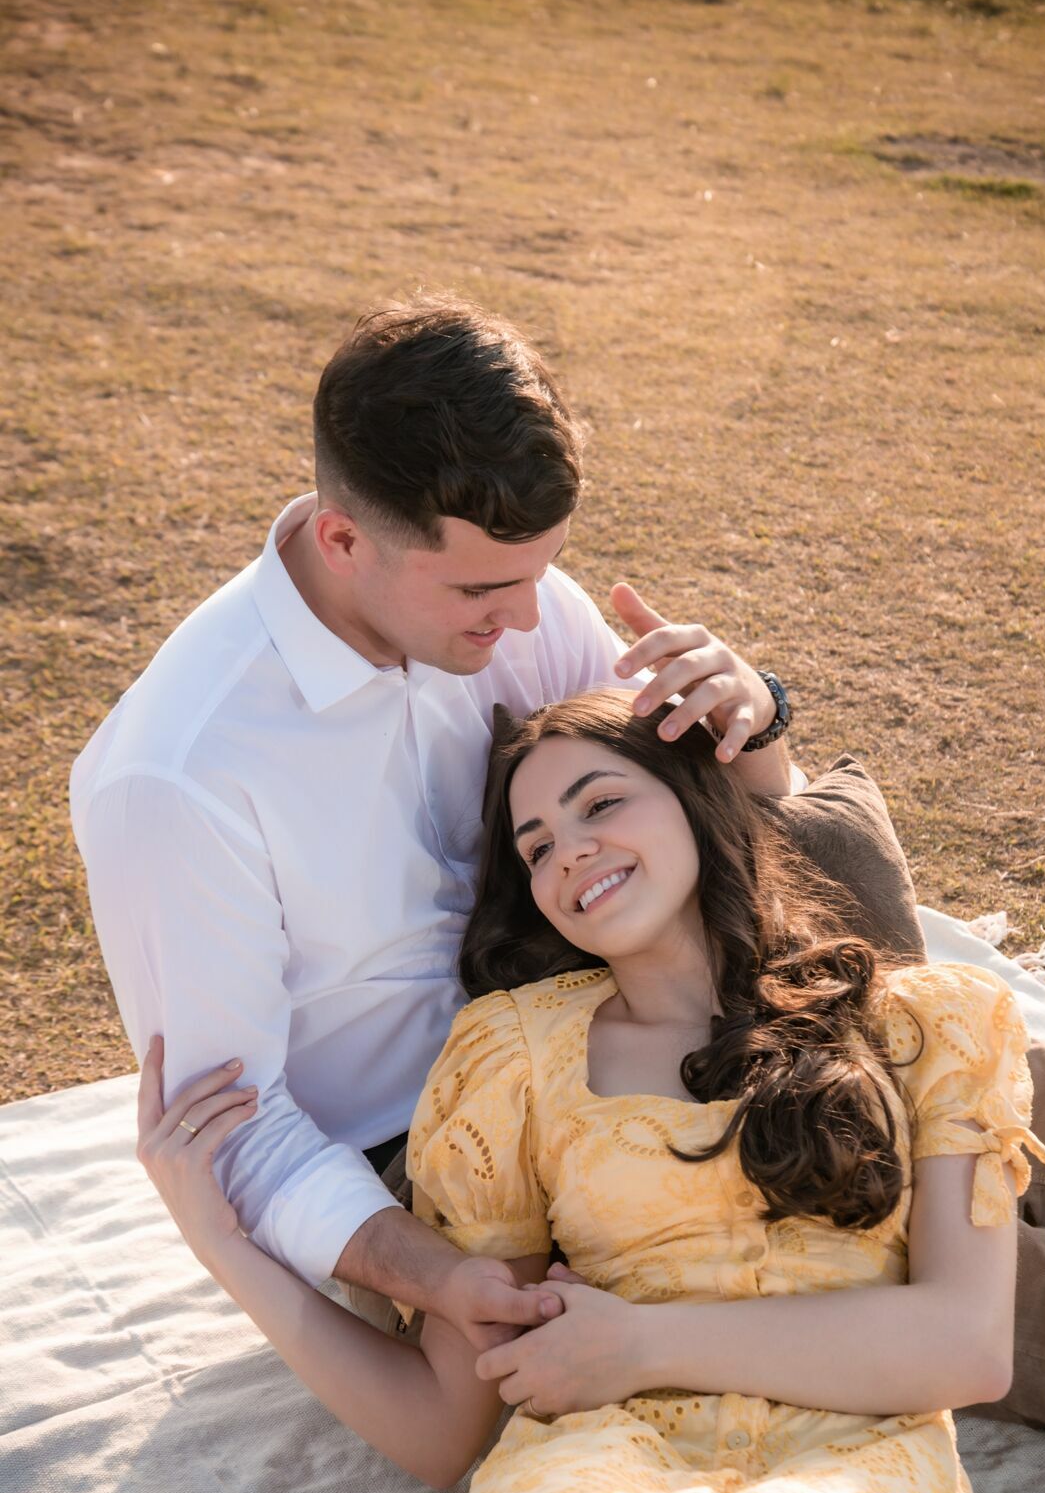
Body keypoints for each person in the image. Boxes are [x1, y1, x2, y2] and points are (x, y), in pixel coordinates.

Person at [70, 292, 858, 1348]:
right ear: (345, 538)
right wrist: (439, 1275)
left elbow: (695, 832)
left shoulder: (508, 603)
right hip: (422, 1169)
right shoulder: (175, 780)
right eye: (489, 587)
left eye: (540, 571)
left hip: (640, 1040)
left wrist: (753, 714)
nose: (530, 618)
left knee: (983, 1110)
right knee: (898, 1246)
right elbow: (229, 1127)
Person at [138, 691, 1045, 1493]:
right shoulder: (513, 1060)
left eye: (602, 804)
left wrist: (643, 1344)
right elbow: (437, 1430)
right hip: (591, 1486)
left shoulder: (927, 1025)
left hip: (856, 1481)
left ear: (698, 803)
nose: (569, 854)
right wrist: (225, 1245)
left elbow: (964, 1347)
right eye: (535, 848)